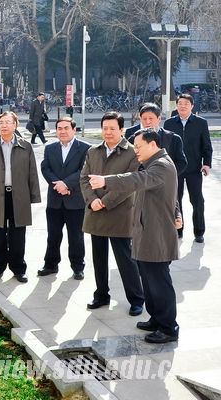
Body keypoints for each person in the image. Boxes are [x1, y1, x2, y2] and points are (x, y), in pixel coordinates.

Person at [88, 128, 182, 344]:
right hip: (145, 232)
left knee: (159, 283)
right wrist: (177, 213)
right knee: (149, 282)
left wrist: (106, 181)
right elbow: (170, 195)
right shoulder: (153, 164)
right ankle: (156, 319)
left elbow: (137, 180)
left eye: (138, 147)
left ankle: (169, 328)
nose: (135, 150)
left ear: (152, 144)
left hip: (157, 235)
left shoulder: (161, 165)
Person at [80, 112, 145, 316]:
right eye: (105, 128)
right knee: (99, 258)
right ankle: (101, 295)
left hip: (120, 213)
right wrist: (93, 200)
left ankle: (136, 299)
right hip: (95, 211)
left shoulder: (132, 152)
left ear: (122, 130)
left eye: (112, 129)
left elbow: (130, 184)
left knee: (125, 259)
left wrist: (105, 202)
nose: (108, 132)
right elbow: (84, 179)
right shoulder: (93, 151)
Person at [0, 111, 41, 282]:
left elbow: (32, 172)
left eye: (8, 122)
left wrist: (34, 196)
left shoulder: (25, 146)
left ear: (15, 125)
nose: (4, 125)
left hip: (19, 196)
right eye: (1, 122)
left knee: (18, 234)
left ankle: (18, 268)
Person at [39, 117, 90, 280]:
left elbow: (84, 171)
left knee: (76, 236)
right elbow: (45, 168)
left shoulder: (85, 148)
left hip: (75, 200)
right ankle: (50, 265)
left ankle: (78, 267)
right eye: (59, 128)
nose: (62, 131)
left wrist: (66, 184)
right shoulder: (50, 148)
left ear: (74, 130)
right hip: (55, 200)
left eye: (66, 128)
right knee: (53, 235)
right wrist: (58, 185)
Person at [163, 93, 213, 243]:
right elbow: (165, 147)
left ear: (192, 106)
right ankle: (178, 230)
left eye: (186, 104)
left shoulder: (201, 123)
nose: (182, 106)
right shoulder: (169, 123)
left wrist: (207, 164)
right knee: (175, 200)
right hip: (175, 169)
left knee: (197, 201)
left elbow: (207, 146)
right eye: (180, 103)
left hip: (194, 169)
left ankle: (199, 232)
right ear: (176, 106)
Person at [124, 102, 187, 176]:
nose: (147, 122)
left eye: (151, 118)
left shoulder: (173, 138)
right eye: (144, 119)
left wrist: (167, 174)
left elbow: (181, 163)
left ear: (159, 119)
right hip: (140, 180)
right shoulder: (133, 139)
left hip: (164, 179)